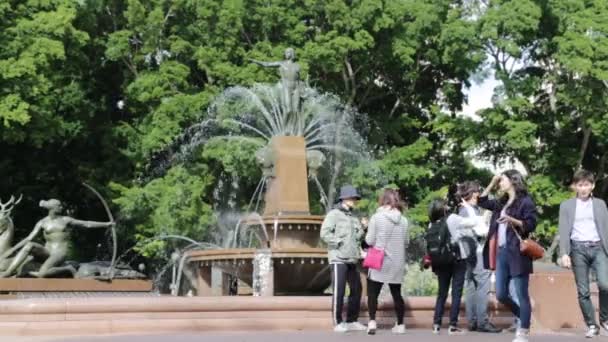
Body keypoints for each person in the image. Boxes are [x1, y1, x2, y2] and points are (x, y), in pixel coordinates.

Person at [479, 170, 538, 342]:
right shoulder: (502, 202)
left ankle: (523, 331)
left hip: (517, 252)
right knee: (501, 294)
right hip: (501, 252)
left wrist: (513, 220)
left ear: (513, 181)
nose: (500, 183)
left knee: (521, 293)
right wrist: (491, 182)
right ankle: (525, 318)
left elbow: (531, 223)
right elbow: (482, 201)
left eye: (502, 180)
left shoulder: (525, 201)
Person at [0, 199, 114, 278]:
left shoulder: (65, 220)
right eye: (59, 205)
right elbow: (29, 238)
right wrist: (12, 249)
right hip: (47, 251)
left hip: (60, 252)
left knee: (42, 274)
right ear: (53, 208)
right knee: (29, 245)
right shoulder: (43, 222)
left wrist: (106, 224)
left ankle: (68, 269)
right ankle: (8, 272)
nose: (61, 207)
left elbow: (87, 224)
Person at [558, 169, 608, 338]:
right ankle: (592, 325)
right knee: (583, 291)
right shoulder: (566, 206)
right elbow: (563, 230)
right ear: (575, 187)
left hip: (599, 247)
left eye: (587, 184)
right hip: (578, 249)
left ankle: (604, 319)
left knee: (605, 284)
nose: (584, 188)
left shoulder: (600, 204)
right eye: (580, 185)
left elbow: (606, 228)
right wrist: (564, 253)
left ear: (592, 186)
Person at [428, 197, 481, 335]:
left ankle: (436, 324)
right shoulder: (452, 218)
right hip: (457, 259)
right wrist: (468, 207)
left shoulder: (432, 223)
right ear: (443, 208)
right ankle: (452, 326)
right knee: (456, 293)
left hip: (440, 261)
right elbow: (474, 222)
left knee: (442, 293)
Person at [320, 185, 366, 333]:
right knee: (339, 291)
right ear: (345, 198)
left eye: (355, 198)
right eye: (353, 198)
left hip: (352, 258)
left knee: (357, 289)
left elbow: (358, 238)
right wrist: (338, 242)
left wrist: (364, 228)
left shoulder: (353, 217)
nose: (355, 200)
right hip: (338, 258)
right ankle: (337, 322)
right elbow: (324, 233)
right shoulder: (334, 214)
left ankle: (352, 320)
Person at [457, 181, 502, 333]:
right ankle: (482, 322)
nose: (479, 194)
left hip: (468, 254)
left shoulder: (465, 209)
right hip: (476, 252)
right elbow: (479, 231)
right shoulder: (467, 210)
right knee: (483, 285)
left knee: (471, 286)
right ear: (472, 193)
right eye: (477, 192)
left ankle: (473, 321)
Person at [365, 189, 409, 335]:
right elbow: (406, 242)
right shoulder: (403, 220)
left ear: (382, 200)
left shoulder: (376, 217)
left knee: (373, 293)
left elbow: (369, 240)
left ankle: (372, 322)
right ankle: (401, 325)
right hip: (397, 261)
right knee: (397, 294)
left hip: (379, 260)